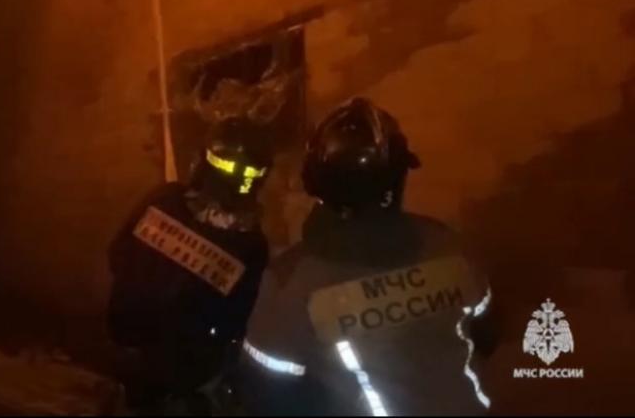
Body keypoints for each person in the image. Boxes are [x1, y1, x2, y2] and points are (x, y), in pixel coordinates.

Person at [238, 97, 497, 416]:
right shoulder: (445, 243)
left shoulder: (290, 279)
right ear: (398, 178)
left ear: (314, 181)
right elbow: (486, 334)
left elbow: (267, 390)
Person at [107, 117, 274, 415]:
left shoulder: (164, 198)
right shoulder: (251, 246)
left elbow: (117, 254)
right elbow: (237, 323)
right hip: (184, 379)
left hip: (122, 346)